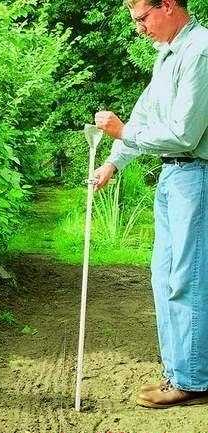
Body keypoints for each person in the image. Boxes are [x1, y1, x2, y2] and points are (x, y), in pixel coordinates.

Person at [94, 0, 208, 408]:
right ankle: (179, 371)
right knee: (164, 275)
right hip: (172, 177)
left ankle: (192, 380)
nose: (139, 28)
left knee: (187, 279)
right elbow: (144, 115)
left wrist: (121, 131)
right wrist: (112, 162)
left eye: (143, 18)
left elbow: (184, 134)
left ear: (170, 5)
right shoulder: (168, 54)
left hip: (196, 175)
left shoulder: (200, 52)